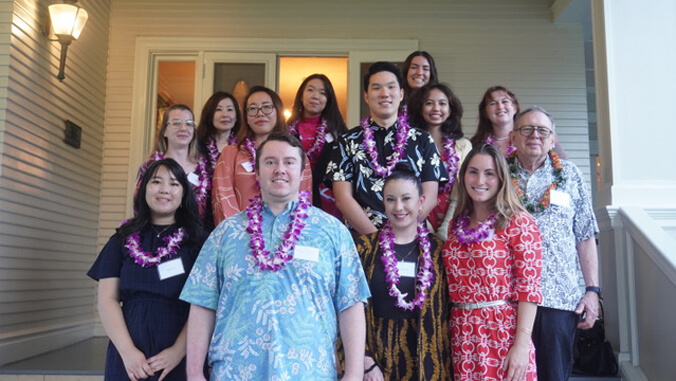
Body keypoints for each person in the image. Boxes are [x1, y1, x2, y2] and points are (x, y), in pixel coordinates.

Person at [180, 132, 371, 380]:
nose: (280, 169)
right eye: (270, 162)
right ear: (257, 173)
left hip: (310, 372)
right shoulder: (225, 233)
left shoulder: (333, 232)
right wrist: (194, 373)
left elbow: (351, 304)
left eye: (289, 162)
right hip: (234, 372)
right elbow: (203, 304)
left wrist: (354, 373)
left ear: (302, 172)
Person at [88, 159, 206, 380]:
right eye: (156, 182)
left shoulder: (198, 242)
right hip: (129, 349)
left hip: (180, 349)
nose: (164, 190)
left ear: (183, 194)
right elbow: (107, 299)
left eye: (173, 184)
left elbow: (204, 304)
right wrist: (128, 352)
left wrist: (178, 352)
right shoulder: (121, 239)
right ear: (144, 190)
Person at [508, 106, 600, 381]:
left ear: (552, 139)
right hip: (508, 296)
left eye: (542, 130)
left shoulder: (570, 175)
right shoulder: (497, 173)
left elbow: (584, 234)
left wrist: (593, 291)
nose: (534, 135)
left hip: (559, 298)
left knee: (553, 375)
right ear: (513, 137)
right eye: (527, 129)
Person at [443, 143, 543, 381]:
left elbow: (529, 289)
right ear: (463, 175)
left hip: (502, 331)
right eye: (473, 171)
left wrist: (521, 344)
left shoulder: (518, 223)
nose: (480, 180)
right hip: (462, 333)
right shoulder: (456, 226)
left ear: (501, 179)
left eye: (489, 173)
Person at [326, 61, 448, 236]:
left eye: (391, 87)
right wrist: (376, 238)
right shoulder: (346, 141)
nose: (384, 94)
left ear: (401, 94)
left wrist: (400, 233)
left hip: (411, 238)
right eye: (376, 88)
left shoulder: (422, 140)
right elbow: (343, 199)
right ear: (366, 96)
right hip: (362, 239)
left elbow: (429, 197)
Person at [356, 167, 452, 380]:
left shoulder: (439, 251)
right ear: (383, 202)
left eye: (406, 198)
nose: (398, 207)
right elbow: (348, 307)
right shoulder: (364, 249)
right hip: (375, 358)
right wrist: (365, 361)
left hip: (426, 360)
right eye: (391, 199)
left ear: (420, 201)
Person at [211, 86, 312, 226]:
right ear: (246, 117)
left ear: (278, 112)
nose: (260, 114)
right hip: (241, 238)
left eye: (266, 107)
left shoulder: (296, 154)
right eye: (252, 109)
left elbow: (304, 200)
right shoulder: (231, 154)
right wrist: (239, 236)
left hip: (287, 236)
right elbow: (222, 199)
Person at [409, 83, 472, 239]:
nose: (436, 108)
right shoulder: (410, 144)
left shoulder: (463, 145)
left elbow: (465, 188)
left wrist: (446, 227)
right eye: (429, 103)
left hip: (455, 217)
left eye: (442, 103)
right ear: (420, 108)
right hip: (418, 219)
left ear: (450, 110)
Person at [137, 105, 212, 229]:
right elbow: (139, 207)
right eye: (176, 123)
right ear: (164, 131)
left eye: (189, 124)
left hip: (195, 241)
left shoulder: (204, 171)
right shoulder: (149, 168)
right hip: (159, 239)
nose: (183, 128)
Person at [287, 74, 347, 217]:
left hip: (329, 203)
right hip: (291, 199)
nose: (315, 96)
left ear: (328, 100)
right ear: (301, 96)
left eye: (322, 93)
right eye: (311, 90)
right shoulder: (285, 130)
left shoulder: (339, 132)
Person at [471, 86, 568, 159]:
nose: (500, 107)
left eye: (505, 101)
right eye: (493, 103)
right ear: (485, 113)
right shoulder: (475, 144)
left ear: (515, 108)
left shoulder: (537, 137)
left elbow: (564, 168)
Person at [196, 91, 241, 170]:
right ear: (209, 114)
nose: (225, 115)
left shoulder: (242, 146)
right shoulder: (197, 145)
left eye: (229, 109)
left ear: (236, 116)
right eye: (218, 109)